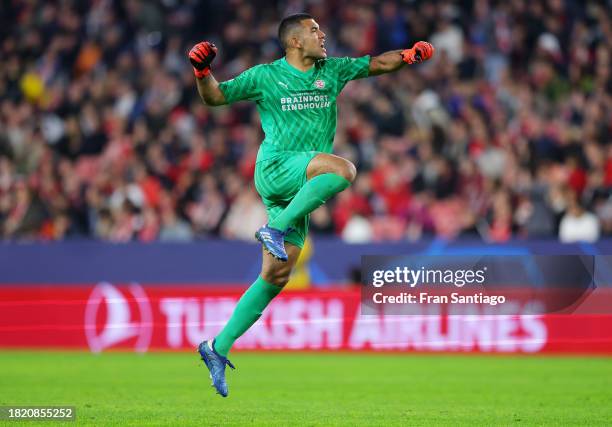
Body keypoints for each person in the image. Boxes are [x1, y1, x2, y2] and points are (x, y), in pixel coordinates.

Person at [189, 12, 434, 397]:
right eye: (314, 29)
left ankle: (216, 348)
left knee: (276, 276)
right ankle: (274, 228)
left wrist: (409, 55)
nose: (322, 34)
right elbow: (216, 97)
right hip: (277, 166)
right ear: (294, 41)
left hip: (300, 184)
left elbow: (375, 63)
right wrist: (203, 72)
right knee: (344, 170)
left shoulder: (331, 70)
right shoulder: (265, 76)